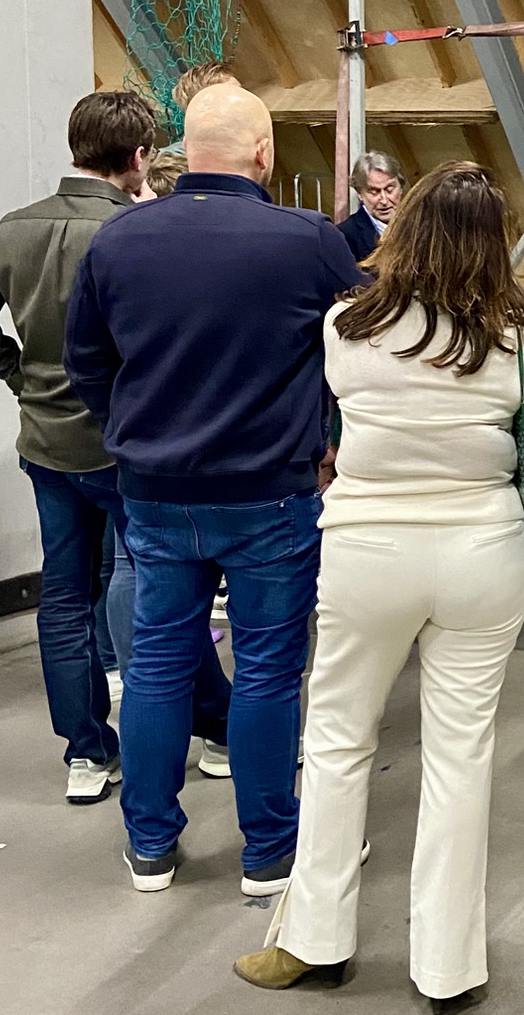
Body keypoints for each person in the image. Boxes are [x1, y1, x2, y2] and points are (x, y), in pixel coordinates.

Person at [233, 164, 524, 1001]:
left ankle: (313, 941)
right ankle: (448, 968)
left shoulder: (346, 325)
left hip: (369, 551)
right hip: (485, 553)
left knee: (338, 742)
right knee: (461, 755)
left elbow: (339, 406)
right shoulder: (517, 334)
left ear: (404, 228)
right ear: (492, 245)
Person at [64, 83, 362, 892]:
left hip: (155, 491)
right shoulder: (309, 241)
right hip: (272, 492)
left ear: (180, 150)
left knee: (158, 663)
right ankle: (269, 851)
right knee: (267, 667)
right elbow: (360, 351)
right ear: (263, 153)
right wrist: (330, 438)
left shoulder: (118, 241)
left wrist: (134, 432)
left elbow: (87, 361)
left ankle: (151, 846)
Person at [0, 91, 228, 803]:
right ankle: (217, 728)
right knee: (167, 590)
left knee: (65, 599)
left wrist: (21, 377)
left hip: (46, 445)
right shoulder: (136, 232)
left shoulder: (15, 228)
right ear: (140, 157)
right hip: (127, 446)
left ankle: (88, 754)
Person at [338, 151, 406, 263]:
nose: (384, 200)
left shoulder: (419, 225)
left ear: (401, 188)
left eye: (389, 190)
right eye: (374, 192)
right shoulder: (344, 235)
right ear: (360, 194)